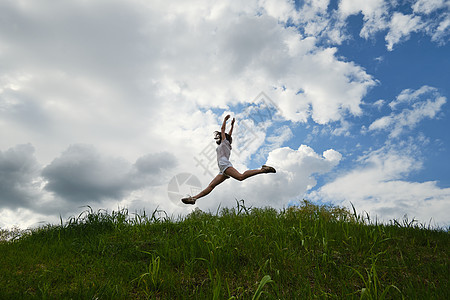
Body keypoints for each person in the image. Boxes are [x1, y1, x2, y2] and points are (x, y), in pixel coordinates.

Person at [181, 114, 276, 205]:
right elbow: (229, 134)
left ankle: (263, 170)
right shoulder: (228, 145)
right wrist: (232, 125)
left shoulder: (224, 142)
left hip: (224, 164)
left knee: (240, 177)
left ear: (224, 138)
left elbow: (223, 130)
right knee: (211, 186)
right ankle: (193, 198)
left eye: (223, 136)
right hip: (222, 170)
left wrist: (225, 120)